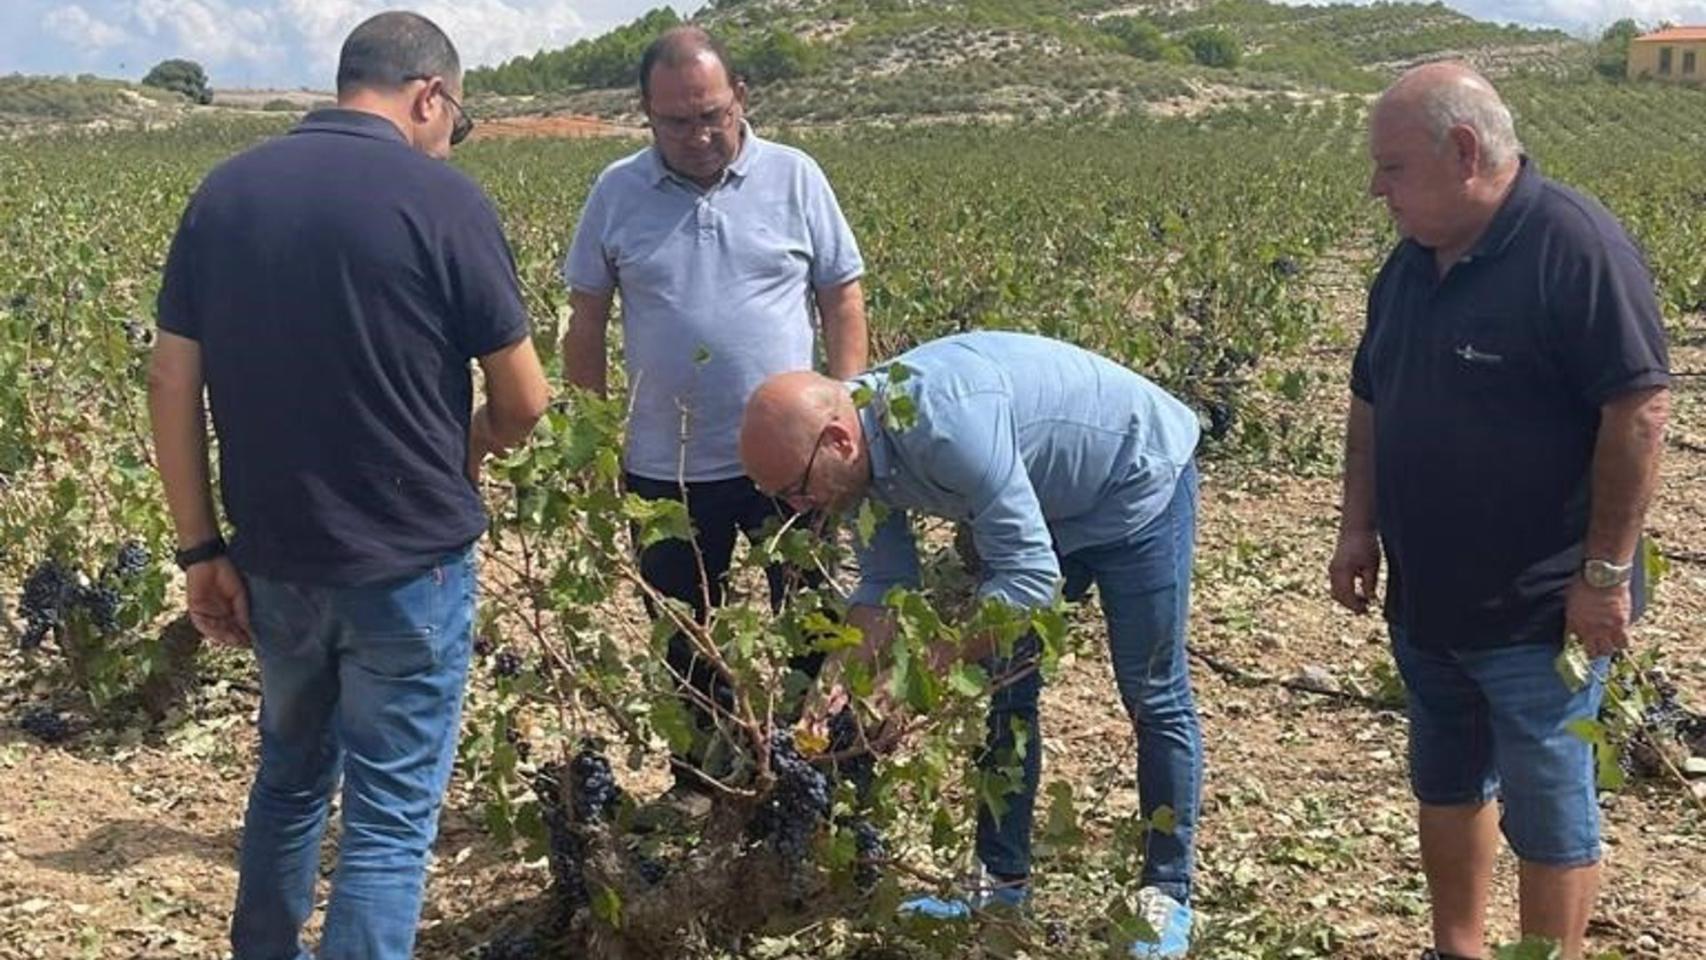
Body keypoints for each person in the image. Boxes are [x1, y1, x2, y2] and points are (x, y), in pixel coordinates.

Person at [148, 12, 549, 959]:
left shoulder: (224, 195)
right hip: (412, 570)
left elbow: (171, 382)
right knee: (387, 824)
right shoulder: (444, 202)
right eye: (456, 116)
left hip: (277, 562)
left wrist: (201, 549)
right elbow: (526, 401)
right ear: (430, 95)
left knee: (287, 784)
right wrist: (476, 441)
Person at [1329, 62, 1670, 960]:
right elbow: (1371, 397)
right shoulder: (1406, 269)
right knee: (1444, 781)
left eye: (1392, 167)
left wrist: (1602, 577)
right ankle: (1460, 949)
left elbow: (1639, 412)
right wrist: (1356, 526)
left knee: (1551, 803)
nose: (1376, 188)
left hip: (1541, 607)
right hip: (1430, 600)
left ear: (1466, 152)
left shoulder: (1575, 248)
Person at [739, 331, 1203, 958]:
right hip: (1045, 504)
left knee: (1151, 691)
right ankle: (1000, 883)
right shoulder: (849, 464)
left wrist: (921, 674)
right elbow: (886, 583)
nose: (798, 508)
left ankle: (1167, 892)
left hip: (1134, 481)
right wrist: (841, 678)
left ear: (839, 440)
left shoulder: (945, 425)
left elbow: (1032, 579)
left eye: (796, 490)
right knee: (1010, 694)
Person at [560, 26, 867, 790]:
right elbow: (586, 321)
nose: (698, 135)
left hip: (795, 467)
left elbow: (843, 296)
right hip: (665, 468)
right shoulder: (615, 192)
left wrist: (847, 409)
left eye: (712, 115)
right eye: (675, 121)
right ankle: (706, 792)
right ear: (645, 114)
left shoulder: (795, 176)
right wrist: (593, 443)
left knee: (812, 631)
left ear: (742, 100)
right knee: (685, 640)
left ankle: (813, 784)